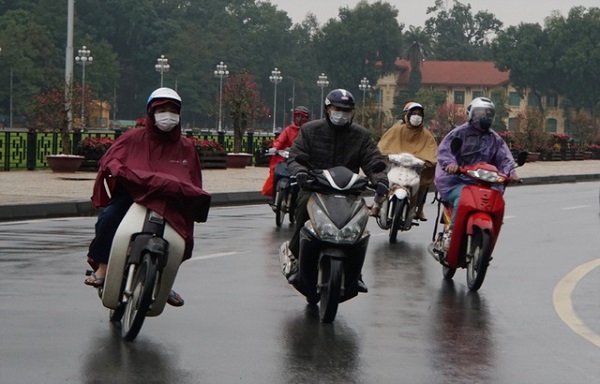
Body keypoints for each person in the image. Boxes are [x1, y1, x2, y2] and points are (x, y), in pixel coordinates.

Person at [84, 87, 211, 307]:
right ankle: (103, 267)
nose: (167, 114)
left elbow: (193, 181)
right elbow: (111, 159)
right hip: (133, 197)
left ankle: (164, 281)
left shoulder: (186, 147)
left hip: (170, 202)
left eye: (172, 109)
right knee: (109, 218)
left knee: (182, 237)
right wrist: (121, 171)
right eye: (162, 109)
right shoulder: (133, 138)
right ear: (151, 112)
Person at [283, 89, 389, 292]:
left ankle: (355, 273)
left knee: (361, 223)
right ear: (327, 109)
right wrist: (301, 172)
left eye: (346, 110)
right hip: (315, 188)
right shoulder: (310, 130)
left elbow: (374, 161)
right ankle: (296, 257)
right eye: (337, 109)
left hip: (349, 193)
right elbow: (296, 156)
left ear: (353, 113)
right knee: (303, 209)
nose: (342, 113)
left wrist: (380, 180)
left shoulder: (362, 136)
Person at [434, 97, 519, 250]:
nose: (484, 117)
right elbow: (445, 151)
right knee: (462, 198)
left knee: (495, 203)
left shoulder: (495, 138)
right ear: (471, 114)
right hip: (456, 179)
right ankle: (452, 233)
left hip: (484, 181)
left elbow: (504, 158)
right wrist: (452, 165)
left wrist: (511, 173)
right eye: (480, 113)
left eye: (488, 114)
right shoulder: (459, 133)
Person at [377, 101, 437, 221]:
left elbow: (432, 151)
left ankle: (419, 209)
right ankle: (376, 204)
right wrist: (385, 155)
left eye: (419, 114)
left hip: (415, 168)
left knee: (423, 184)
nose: (416, 116)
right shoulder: (397, 129)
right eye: (413, 113)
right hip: (396, 165)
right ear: (407, 115)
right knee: (383, 179)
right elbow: (384, 144)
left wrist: (427, 162)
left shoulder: (426, 134)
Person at [261, 106, 310, 203]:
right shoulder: (289, 129)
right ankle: (274, 196)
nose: (300, 118)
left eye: (302, 117)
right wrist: (275, 148)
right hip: (286, 157)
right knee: (276, 173)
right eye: (298, 116)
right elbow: (280, 140)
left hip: (301, 160)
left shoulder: (308, 131)